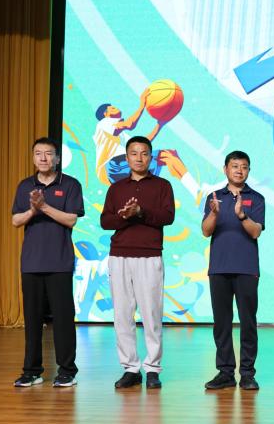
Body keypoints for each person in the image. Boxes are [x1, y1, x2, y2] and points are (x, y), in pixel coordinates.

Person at [100, 135, 175, 390]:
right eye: (134, 153)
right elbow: (105, 221)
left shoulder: (163, 185)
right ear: (127, 157)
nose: (139, 158)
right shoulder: (116, 188)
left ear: (150, 157)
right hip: (119, 255)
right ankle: (130, 368)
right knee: (122, 314)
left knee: (151, 314)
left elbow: (168, 216)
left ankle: (152, 368)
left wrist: (141, 212)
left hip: (150, 255)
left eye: (144, 153)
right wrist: (125, 216)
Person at [11, 137, 85, 387]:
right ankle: (32, 371)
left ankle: (67, 371)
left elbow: (71, 219)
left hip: (59, 262)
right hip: (31, 262)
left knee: (63, 319)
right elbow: (15, 220)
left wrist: (43, 207)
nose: (43, 158)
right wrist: (33, 210)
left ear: (57, 158)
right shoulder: (25, 185)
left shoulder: (70, 184)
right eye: (38, 153)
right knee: (32, 320)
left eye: (48, 153)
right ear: (33, 157)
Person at [202, 151, 265, 391]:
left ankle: (247, 373)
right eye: (235, 166)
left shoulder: (256, 198)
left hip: (246, 268)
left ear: (249, 171)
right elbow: (206, 231)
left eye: (244, 167)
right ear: (225, 169)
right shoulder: (214, 198)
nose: (239, 170)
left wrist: (241, 215)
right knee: (222, 322)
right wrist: (214, 213)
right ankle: (225, 372)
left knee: (248, 322)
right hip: (219, 268)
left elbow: (255, 231)